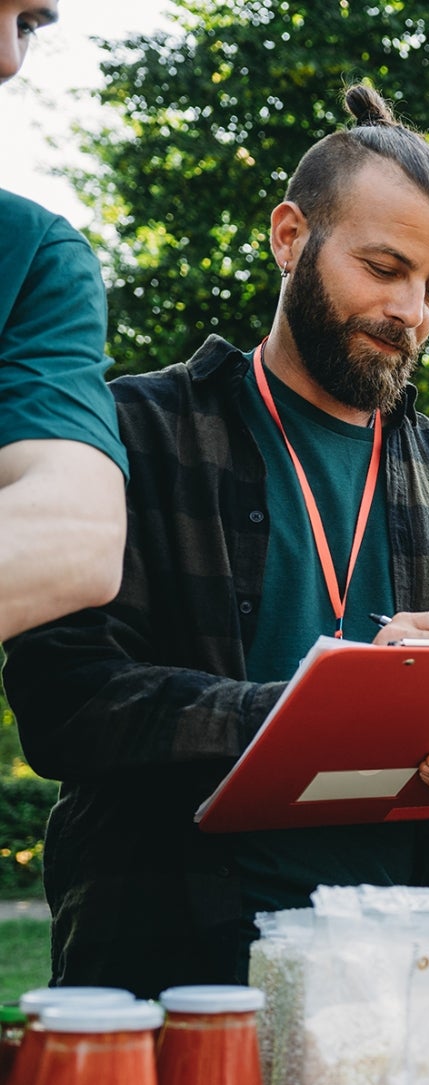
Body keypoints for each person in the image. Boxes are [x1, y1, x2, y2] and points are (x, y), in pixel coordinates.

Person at [3, 85, 429, 997]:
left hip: (414, 969)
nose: (412, 311)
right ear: (290, 236)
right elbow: (67, 704)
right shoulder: (129, 432)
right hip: (173, 966)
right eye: (383, 267)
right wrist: (313, 712)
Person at [0, 0, 129, 641]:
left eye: (26, 26)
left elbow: (76, 537)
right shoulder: (163, 415)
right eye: (382, 267)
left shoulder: (30, 254)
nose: (8, 58)